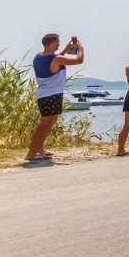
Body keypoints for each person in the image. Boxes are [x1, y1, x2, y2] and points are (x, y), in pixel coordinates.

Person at [27, 33, 85, 162]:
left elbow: (54, 64)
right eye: (58, 42)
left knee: (51, 121)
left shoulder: (39, 56)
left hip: (48, 93)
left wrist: (64, 51)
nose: (59, 44)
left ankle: (39, 149)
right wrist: (80, 48)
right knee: (44, 124)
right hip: (50, 94)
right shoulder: (56, 58)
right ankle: (31, 153)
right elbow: (79, 60)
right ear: (52, 43)